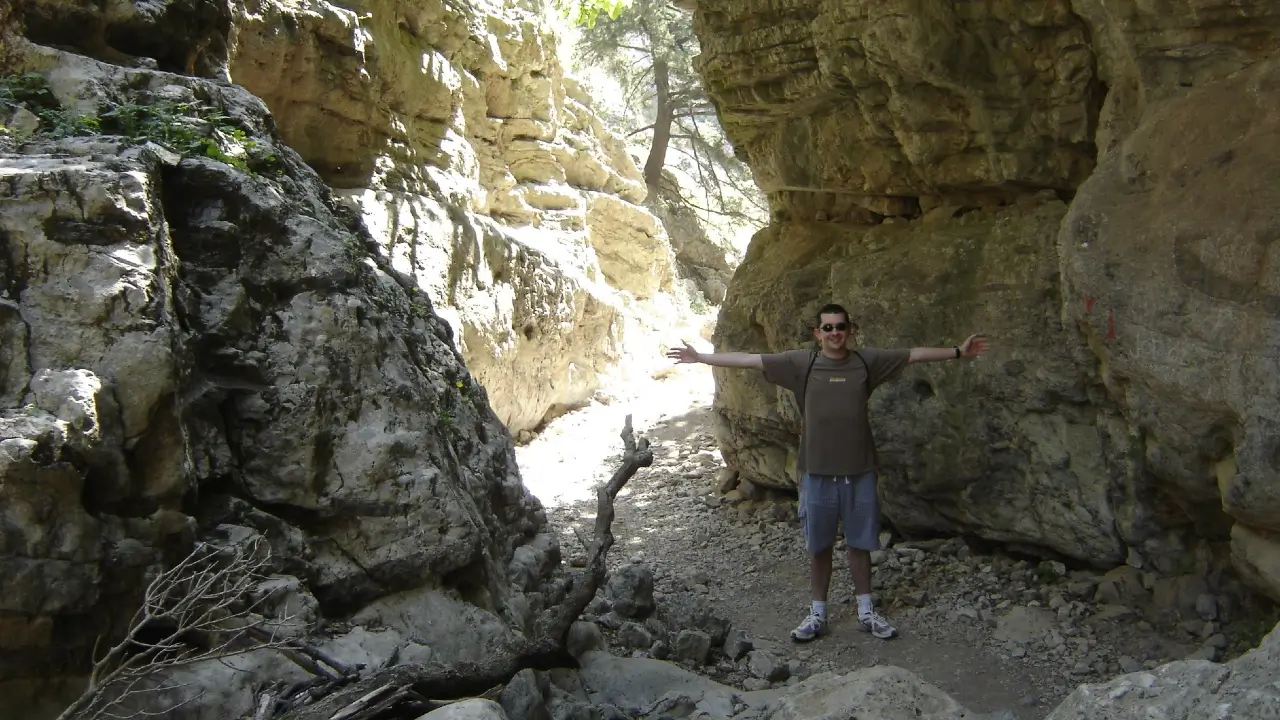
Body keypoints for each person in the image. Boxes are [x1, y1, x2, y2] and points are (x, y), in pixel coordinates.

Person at [666, 303, 989, 642]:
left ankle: (866, 611)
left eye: (840, 327)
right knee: (818, 547)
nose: (835, 333)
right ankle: (817, 614)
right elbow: (749, 359)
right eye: (828, 328)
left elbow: (912, 355)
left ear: (849, 331)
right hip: (817, 474)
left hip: (859, 472)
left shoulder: (867, 362)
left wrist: (958, 351)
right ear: (817, 333)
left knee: (859, 544)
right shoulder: (801, 363)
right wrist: (701, 358)